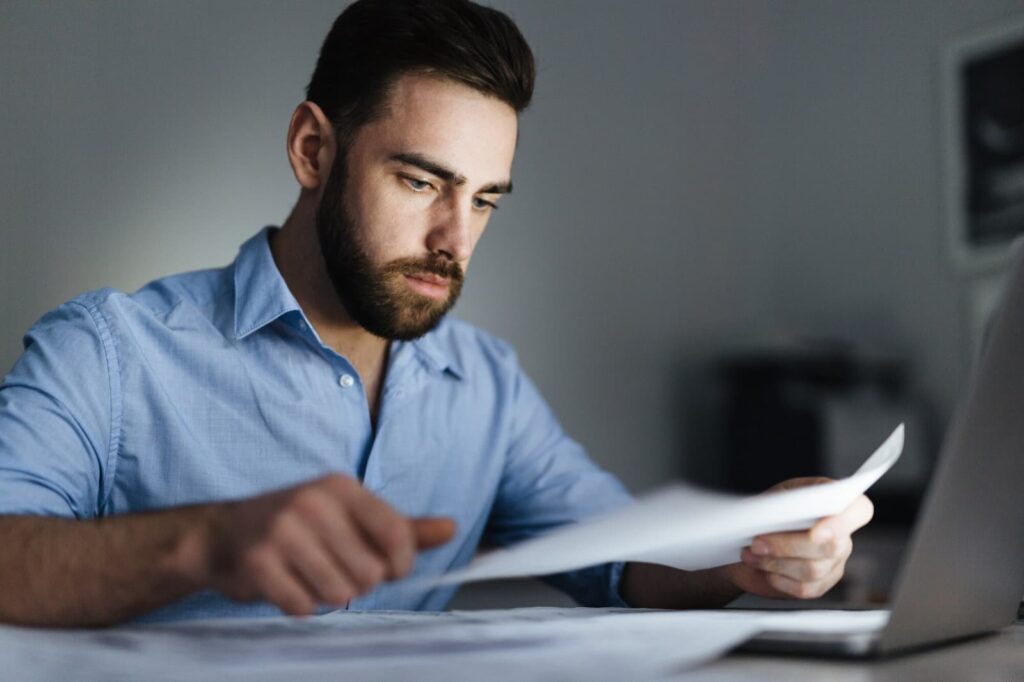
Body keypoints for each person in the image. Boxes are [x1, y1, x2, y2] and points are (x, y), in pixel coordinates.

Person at [0, 0, 872, 627]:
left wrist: (750, 554)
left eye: (486, 199)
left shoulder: (486, 387)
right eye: (420, 182)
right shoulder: (110, 351)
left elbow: (620, 558)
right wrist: (207, 544)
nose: (455, 238)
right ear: (313, 150)